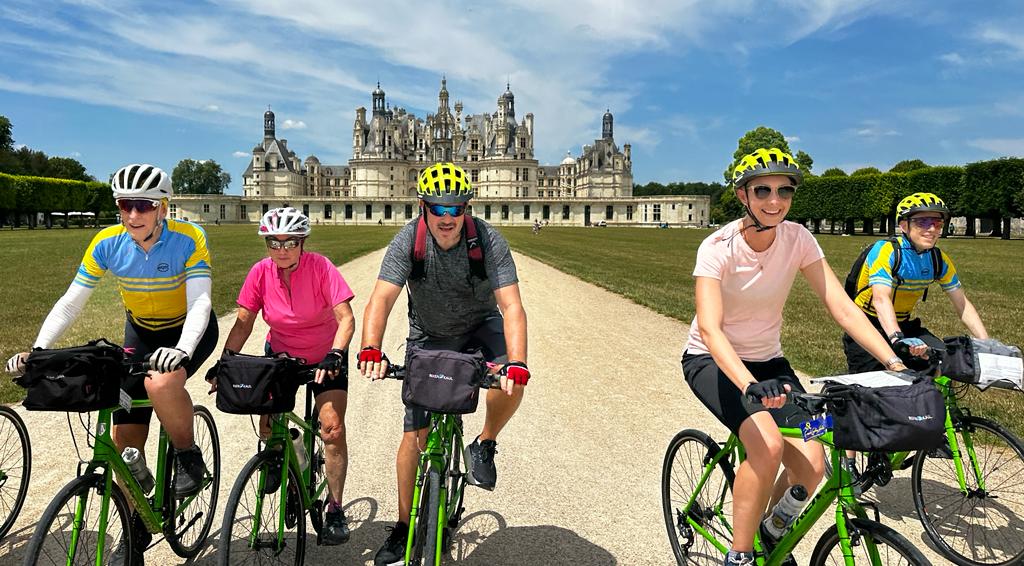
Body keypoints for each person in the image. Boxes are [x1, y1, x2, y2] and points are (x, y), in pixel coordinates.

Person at [682, 148, 911, 566]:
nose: (775, 200)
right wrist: (748, 385)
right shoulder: (717, 248)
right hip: (712, 361)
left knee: (812, 464)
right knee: (767, 447)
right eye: (763, 190)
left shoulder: (798, 238)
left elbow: (841, 306)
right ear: (742, 196)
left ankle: (770, 531)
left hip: (769, 363)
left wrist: (894, 364)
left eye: (784, 190)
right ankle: (740, 552)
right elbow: (711, 329)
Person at [5, 163, 219, 565]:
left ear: (162, 208)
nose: (133, 214)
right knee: (123, 441)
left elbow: (201, 303)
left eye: (143, 205)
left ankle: (188, 454)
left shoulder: (189, 237)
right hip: (139, 332)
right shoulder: (107, 242)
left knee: (160, 384)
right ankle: (135, 529)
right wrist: (39, 350)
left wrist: (183, 351)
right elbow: (72, 300)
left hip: (187, 329)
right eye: (125, 205)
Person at [357, 162, 530, 566]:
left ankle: (484, 442)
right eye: (439, 208)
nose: (448, 218)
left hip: (480, 327)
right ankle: (403, 527)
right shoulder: (408, 241)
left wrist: (516, 363)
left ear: (467, 208)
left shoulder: (487, 241)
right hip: (428, 334)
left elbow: (511, 307)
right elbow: (380, 299)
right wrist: (370, 347)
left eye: (457, 209)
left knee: (513, 384)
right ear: (423, 207)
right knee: (413, 435)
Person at [217, 207, 356, 545]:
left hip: (326, 356)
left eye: (289, 242)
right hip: (281, 357)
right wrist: (225, 363)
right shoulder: (260, 273)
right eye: (273, 243)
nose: (281, 250)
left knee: (332, 428)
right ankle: (286, 457)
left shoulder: (321, 267)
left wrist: (336, 354)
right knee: (267, 425)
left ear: (302, 241)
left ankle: (335, 508)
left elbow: (346, 318)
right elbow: (244, 323)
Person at [843, 192, 988, 373]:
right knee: (867, 390)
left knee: (940, 360)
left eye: (937, 223)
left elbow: (962, 303)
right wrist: (896, 338)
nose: (932, 229)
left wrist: (986, 342)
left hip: (904, 324)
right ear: (904, 225)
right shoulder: (886, 250)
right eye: (923, 222)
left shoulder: (938, 259)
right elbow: (881, 299)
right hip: (867, 324)